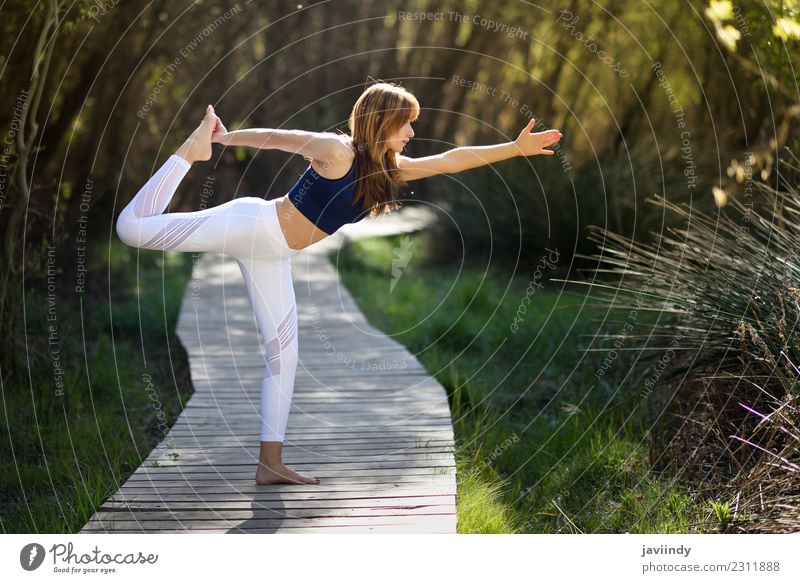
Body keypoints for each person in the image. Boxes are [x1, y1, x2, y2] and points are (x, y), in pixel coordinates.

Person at [116, 81, 562, 485]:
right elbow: (277, 139)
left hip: (273, 255)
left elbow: (450, 161)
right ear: (381, 121)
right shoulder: (338, 150)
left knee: (284, 356)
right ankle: (188, 153)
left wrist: (514, 149)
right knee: (131, 230)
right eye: (405, 124)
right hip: (250, 225)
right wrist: (220, 138)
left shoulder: (388, 170)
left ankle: (269, 463)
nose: (410, 133)